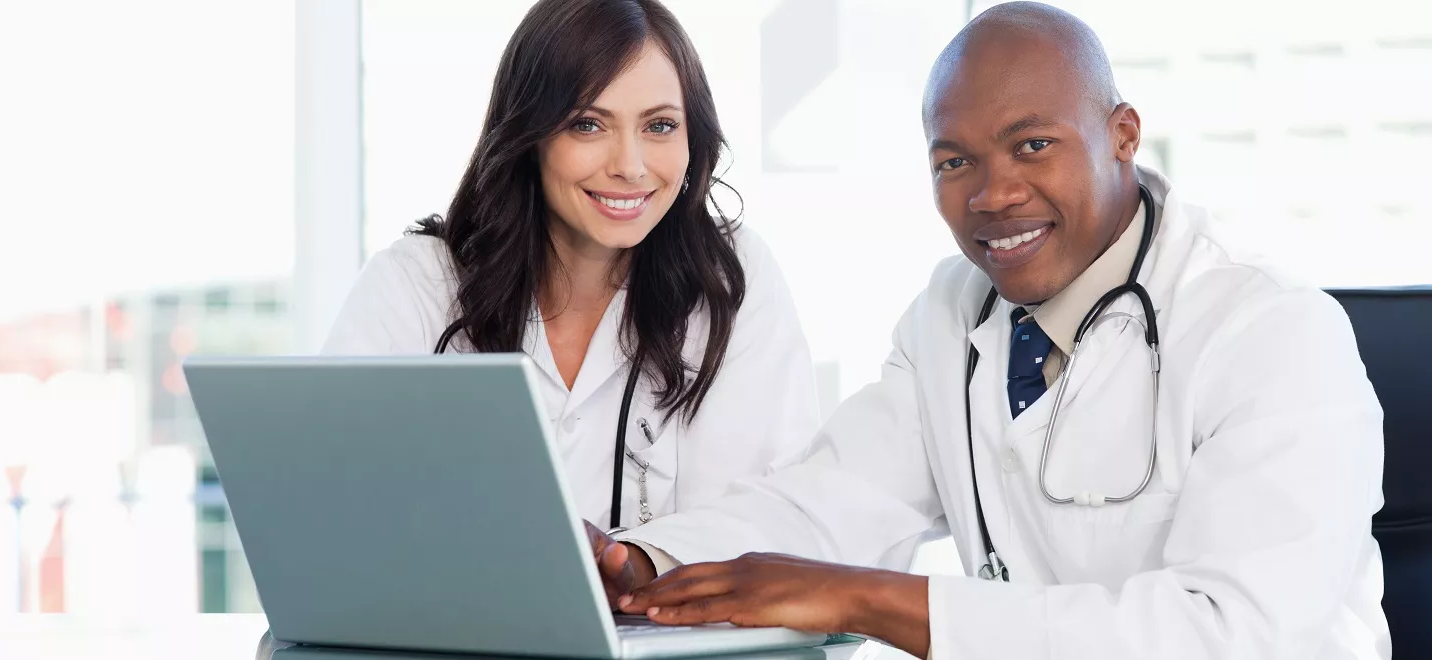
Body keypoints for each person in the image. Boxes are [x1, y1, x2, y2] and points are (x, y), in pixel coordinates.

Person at [585, 3, 1388, 659]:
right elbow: (827, 502)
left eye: (1031, 146)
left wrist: (874, 599)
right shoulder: (949, 315)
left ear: (1122, 134)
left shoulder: (1272, 332)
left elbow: (1233, 633)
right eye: (953, 163)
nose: (992, 194)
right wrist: (643, 561)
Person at [323, 0, 819, 532]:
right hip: (441, 619)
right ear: (528, 135)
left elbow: (762, 524)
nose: (629, 166)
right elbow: (327, 504)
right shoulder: (414, 284)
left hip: (665, 618)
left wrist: (635, 565)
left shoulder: (729, 280)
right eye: (588, 125)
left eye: (659, 126)